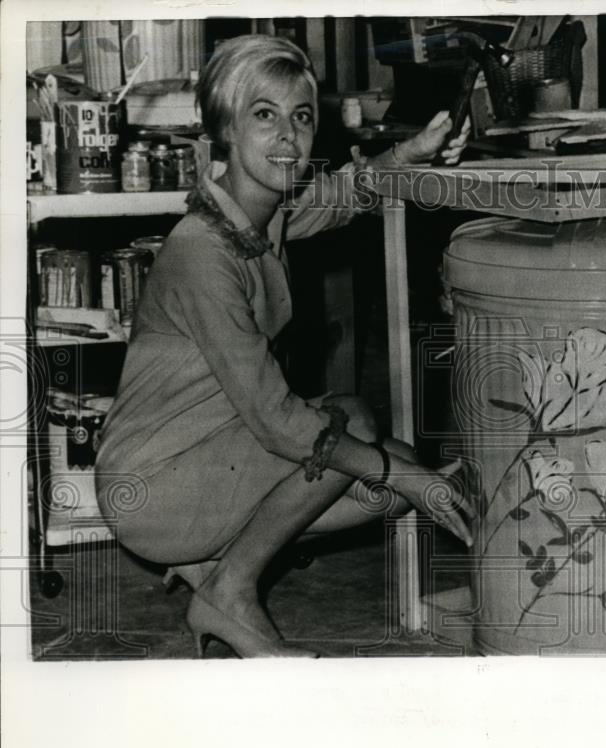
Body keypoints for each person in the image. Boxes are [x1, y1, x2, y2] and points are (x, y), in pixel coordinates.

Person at [95, 34, 473, 658]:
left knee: (387, 468)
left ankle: (215, 561)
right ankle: (231, 591)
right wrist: (408, 475)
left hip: (209, 454)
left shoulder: (265, 213)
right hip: (152, 483)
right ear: (224, 126)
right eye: (262, 115)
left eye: (299, 117)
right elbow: (277, 422)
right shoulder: (201, 251)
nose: (288, 137)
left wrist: (413, 151)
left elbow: (349, 195)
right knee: (356, 426)